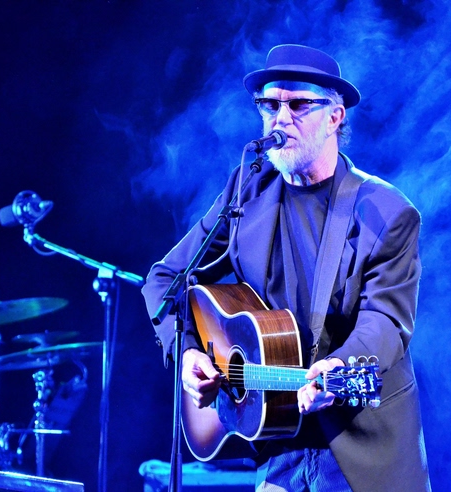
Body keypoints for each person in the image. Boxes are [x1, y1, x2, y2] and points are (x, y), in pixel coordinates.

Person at [142, 44, 431, 491]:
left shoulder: (385, 212)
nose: (280, 118)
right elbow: (165, 280)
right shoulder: (247, 191)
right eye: (270, 105)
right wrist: (188, 355)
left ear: (335, 117)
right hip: (277, 442)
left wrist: (337, 369)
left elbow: (386, 322)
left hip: (359, 447)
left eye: (298, 105)